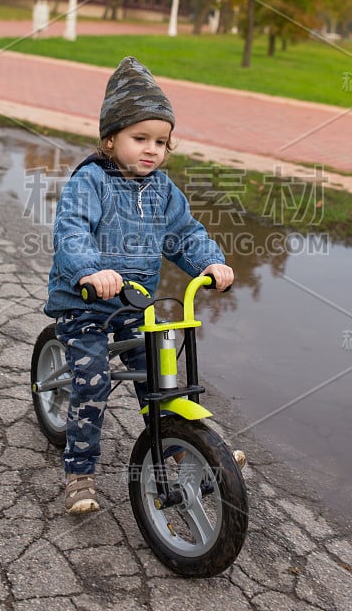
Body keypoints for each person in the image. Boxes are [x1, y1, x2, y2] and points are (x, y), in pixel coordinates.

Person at [44, 56, 234, 515]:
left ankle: (182, 444)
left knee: (159, 373)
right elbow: (72, 231)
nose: (152, 149)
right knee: (93, 382)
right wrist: (90, 271)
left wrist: (209, 263)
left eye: (161, 142)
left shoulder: (163, 189)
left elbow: (184, 233)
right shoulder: (90, 181)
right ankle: (79, 473)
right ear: (110, 140)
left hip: (136, 304)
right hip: (86, 302)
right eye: (140, 138)